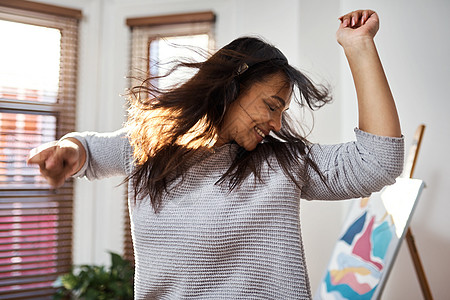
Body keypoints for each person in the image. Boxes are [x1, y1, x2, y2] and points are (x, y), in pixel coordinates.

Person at [27, 10, 403, 299]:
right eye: (271, 105)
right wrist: (67, 150)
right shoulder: (146, 147)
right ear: (232, 85)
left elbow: (378, 163)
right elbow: (87, 150)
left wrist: (360, 47)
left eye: (282, 111)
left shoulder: (284, 164)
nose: (275, 123)